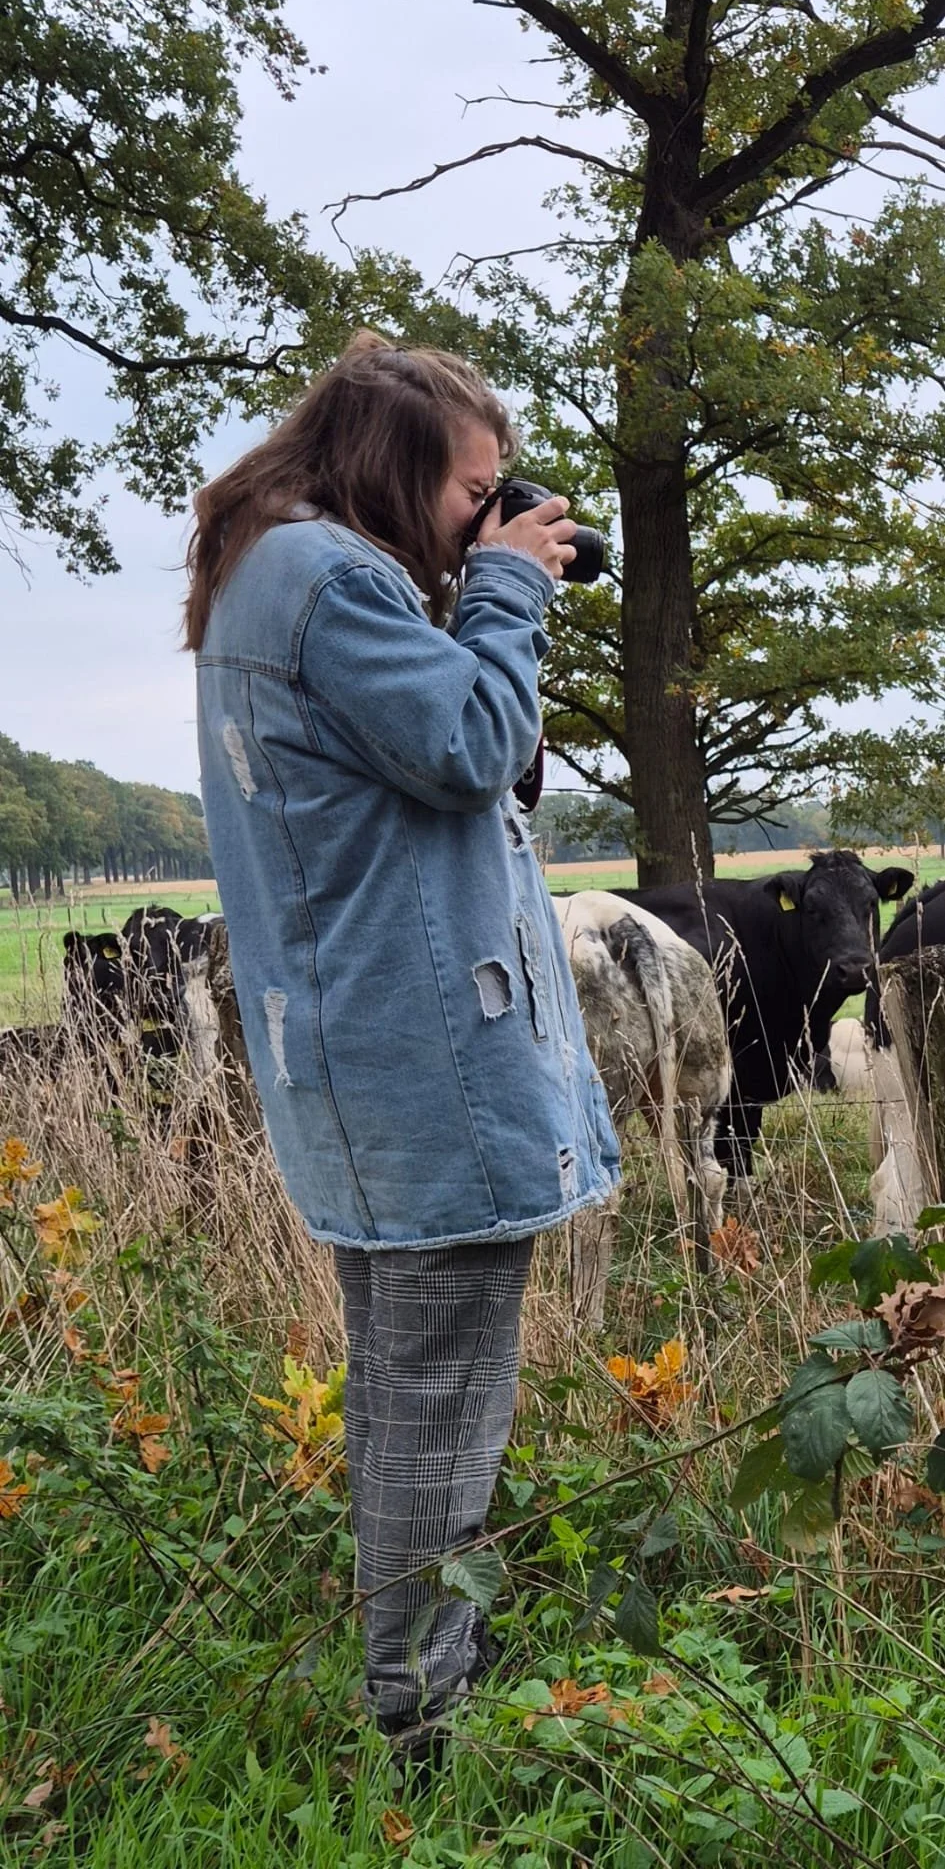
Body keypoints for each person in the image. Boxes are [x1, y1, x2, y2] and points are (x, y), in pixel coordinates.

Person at [184, 331, 621, 1754]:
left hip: (372, 1053)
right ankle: (424, 1724)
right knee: (441, 1405)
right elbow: (461, 748)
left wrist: (478, 599)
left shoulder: (287, 566)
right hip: (423, 1063)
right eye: (471, 491)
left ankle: (420, 1678)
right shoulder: (329, 577)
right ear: (397, 466)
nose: (483, 520)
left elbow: (442, 758)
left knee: (409, 1399)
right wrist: (504, 594)